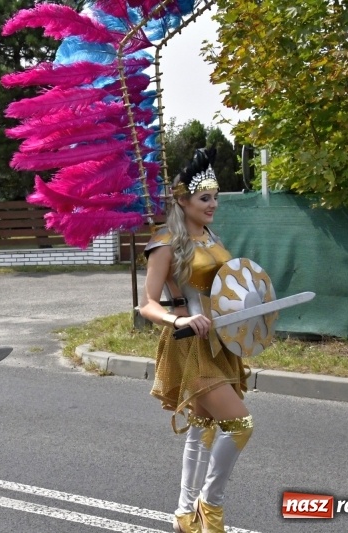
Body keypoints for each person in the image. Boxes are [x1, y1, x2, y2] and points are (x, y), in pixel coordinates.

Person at [139, 148, 252, 533]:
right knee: (239, 424)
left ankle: (185, 514)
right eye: (206, 198)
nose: (214, 204)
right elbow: (147, 305)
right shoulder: (165, 242)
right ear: (182, 199)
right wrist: (177, 319)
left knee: (203, 426)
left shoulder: (209, 235)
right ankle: (210, 506)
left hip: (220, 342)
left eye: (215, 197)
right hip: (188, 342)